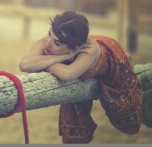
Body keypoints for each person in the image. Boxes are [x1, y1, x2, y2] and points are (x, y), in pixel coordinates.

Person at [19, 11, 142, 143]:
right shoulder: (56, 37)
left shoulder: (89, 50)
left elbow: (68, 74)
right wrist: (63, 57)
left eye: (57, 43)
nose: (48, 43)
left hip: (110, 59)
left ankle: (126, 58)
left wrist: (43, 62)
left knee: (126, 118)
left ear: (76, 47)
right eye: (49, 33)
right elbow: (24, 64)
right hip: (78, 52)